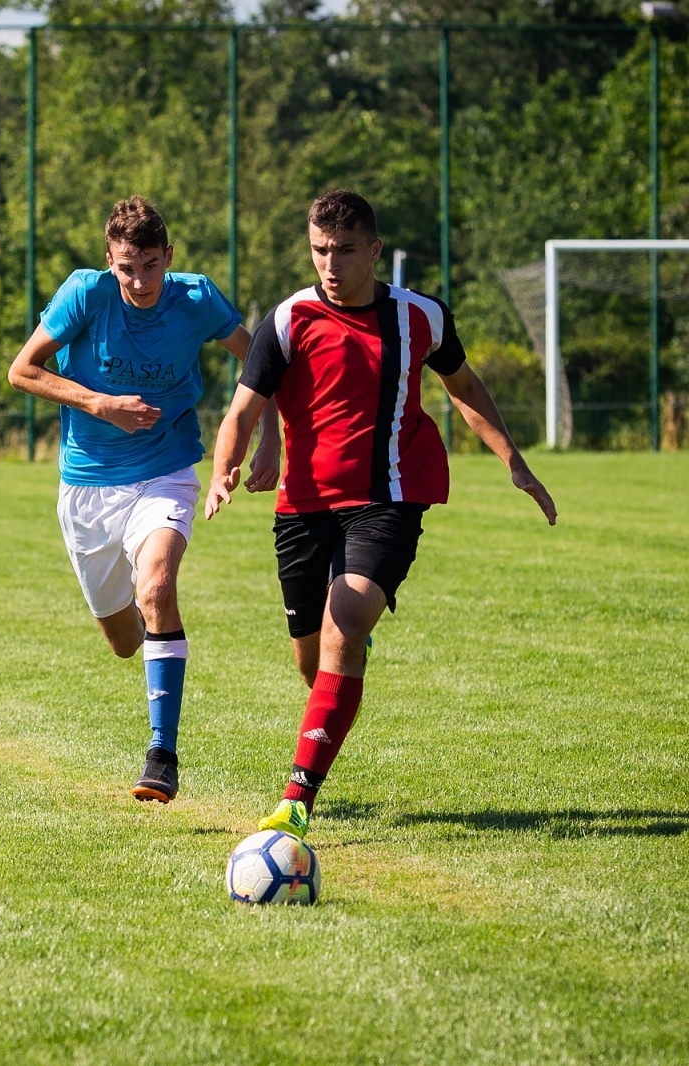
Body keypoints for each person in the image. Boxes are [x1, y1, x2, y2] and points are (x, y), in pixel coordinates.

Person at [202, 189, 556, 838]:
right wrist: (225, 468)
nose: (329, 265)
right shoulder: (289, 320)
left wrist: (514, 459)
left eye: (342, 251)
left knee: (345, 626)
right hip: (303, 507)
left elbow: (465, 387)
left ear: (374, 250)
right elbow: (243, 408)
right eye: (318, 251)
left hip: (390, 497)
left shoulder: (422, 317)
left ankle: (296, 800)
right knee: (313, 664)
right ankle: (333, 704)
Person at [8, 196, 279, 803]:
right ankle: (150, 634)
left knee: (157, 586)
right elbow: (21, 371)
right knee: (125, 640)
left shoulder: (197, 299)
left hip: (166, 471)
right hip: (86, 487)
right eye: (127, 268)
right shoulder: (86, 293)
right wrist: (99, 404)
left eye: (151, 266)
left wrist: (270, 437)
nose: (139, 281)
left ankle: (162, 755)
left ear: (169, 258)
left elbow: (265, 360)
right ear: (110, 261)